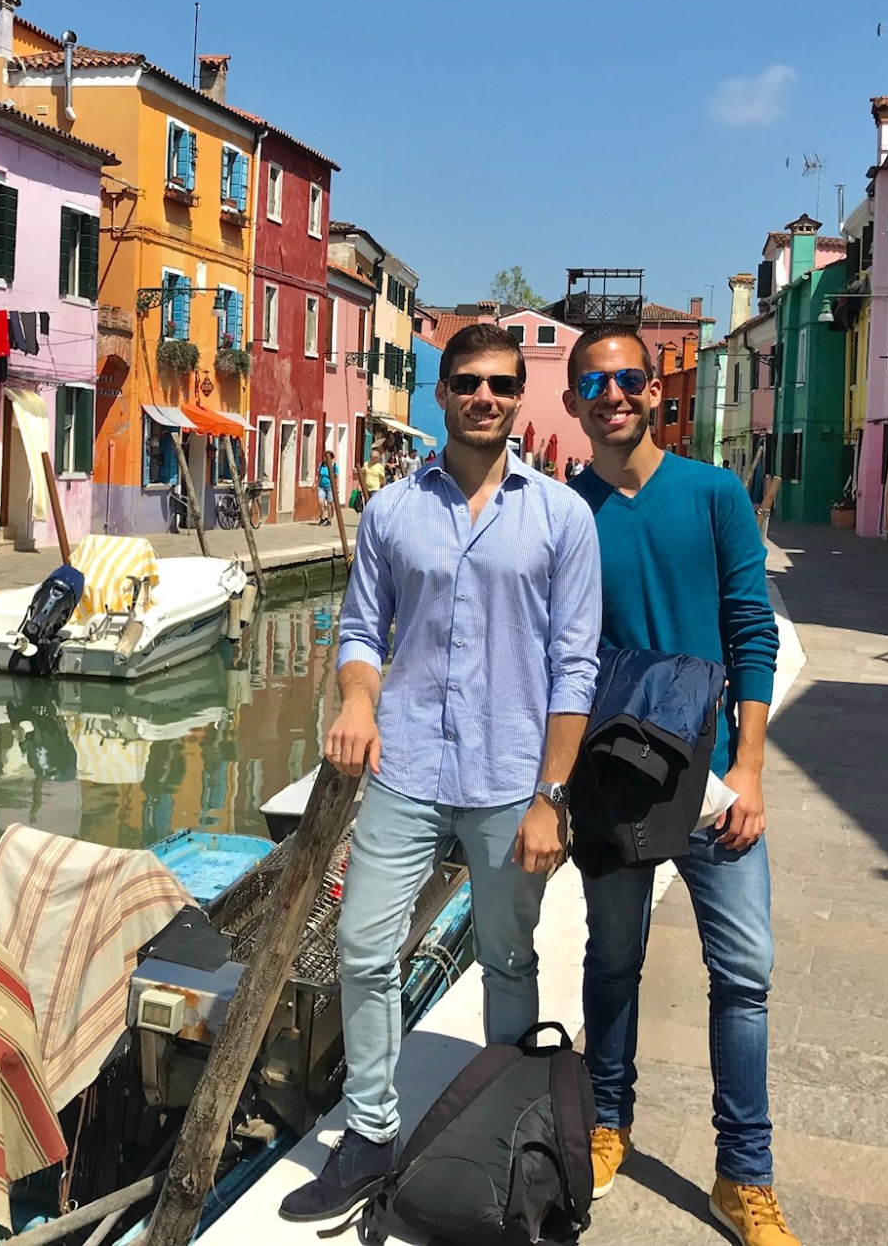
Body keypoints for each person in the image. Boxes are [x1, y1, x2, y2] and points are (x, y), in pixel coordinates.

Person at [278, 324, 603, 1223]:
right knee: (363, 947)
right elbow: (360, 631)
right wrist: (356, 702)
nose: (484, 397)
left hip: (511, 778)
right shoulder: (391, 512)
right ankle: (370, 1134)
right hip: (409, 765)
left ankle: (502, 1136)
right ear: (443, 392)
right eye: (467, 382)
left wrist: (552, 796)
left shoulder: (562, 517)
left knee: (508, 960)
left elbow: (576, 666)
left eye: (500, 383)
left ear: (519, 395)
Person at [565, 326, 795, 1246]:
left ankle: (745, 1176)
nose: (614, 394)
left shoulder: (714, 494)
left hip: (712, 780)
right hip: (613, 775)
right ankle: (606, 1122)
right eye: (595, 383)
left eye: (629, 377)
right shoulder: (564, 511)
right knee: (612, 958)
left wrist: (750, 769)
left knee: (744, 974)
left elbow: (752, 630)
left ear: (656, 391)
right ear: (576, 403)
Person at [316, 453, 335, 525]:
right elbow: (318, 475)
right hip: (321, 487)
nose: (325, 458)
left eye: (327, 457)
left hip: (330, 487)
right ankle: (322, 518)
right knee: (320, 502)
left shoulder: (334, 466)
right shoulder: (321, 465)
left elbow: (336, 477)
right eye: (325, 457)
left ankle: (329, 520)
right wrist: (315, 484)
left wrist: (337, 487)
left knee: (329, 503)